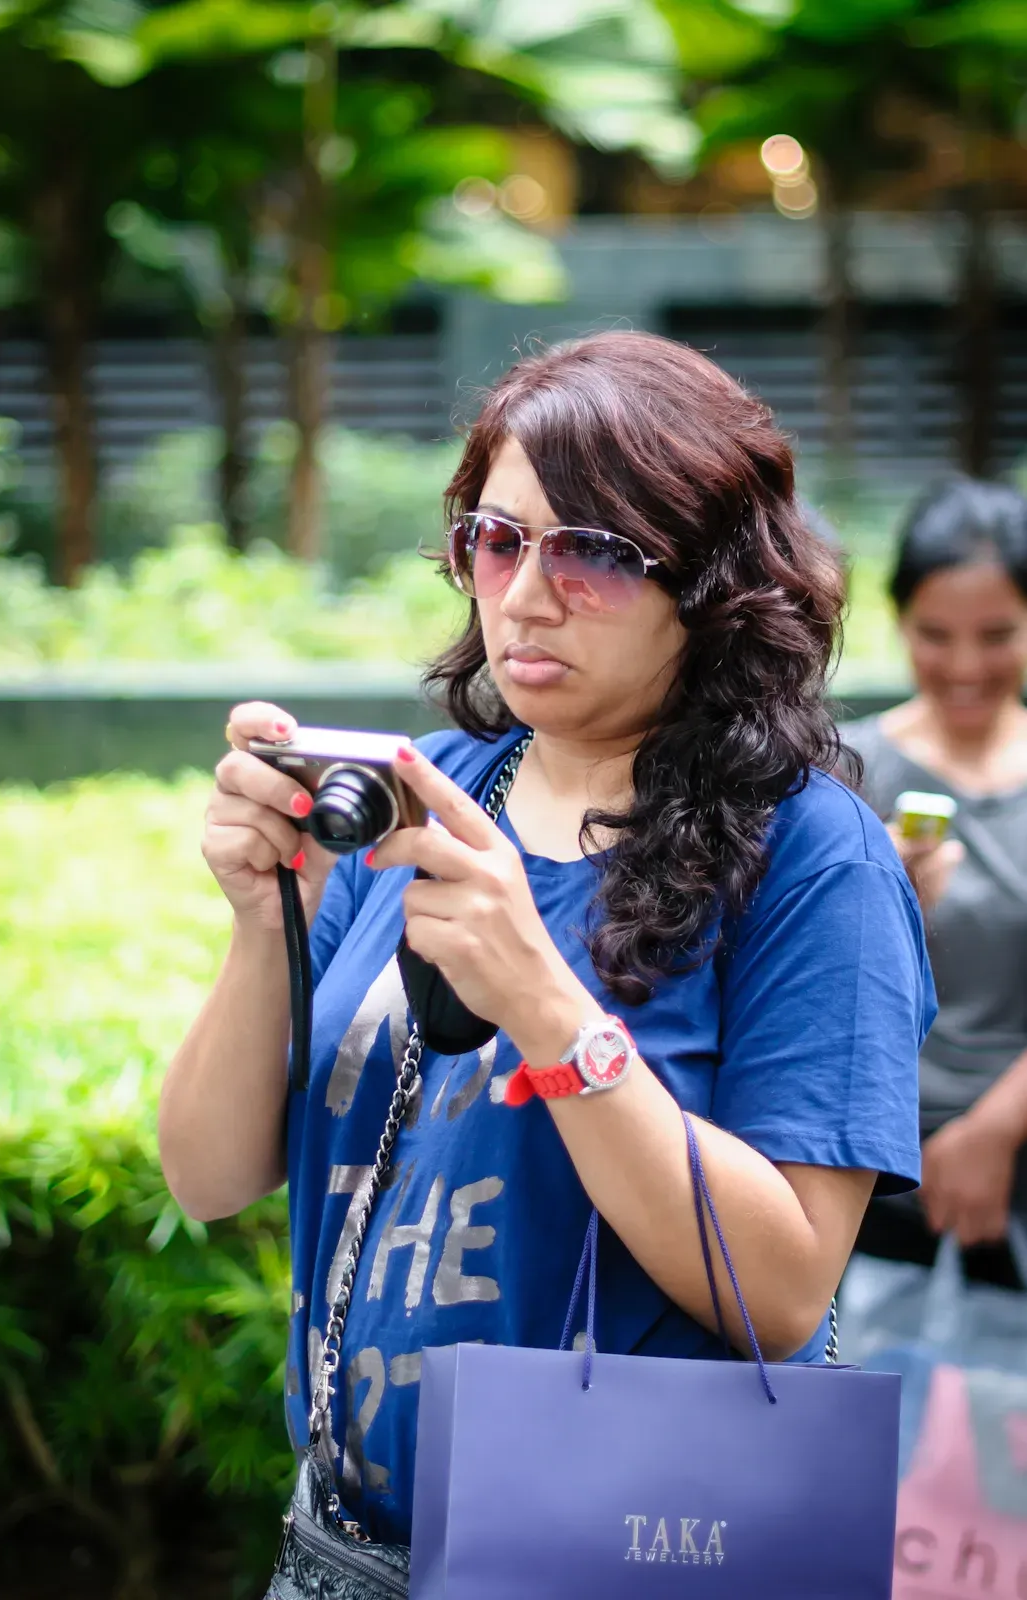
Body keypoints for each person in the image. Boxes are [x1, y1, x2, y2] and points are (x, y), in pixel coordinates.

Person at [159, 331, 932, 1550]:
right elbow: (208, 1176)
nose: (524, 593)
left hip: (612, 1548)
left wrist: (546, 1003)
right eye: (497, 538)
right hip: (344, 1541)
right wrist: (269, 921)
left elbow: (782, 1293)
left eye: (595, 552)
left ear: (713, 584)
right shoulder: (428, 798)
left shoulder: (811, 858)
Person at [845, 476, 1027, 1286]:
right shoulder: (845, 776)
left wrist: (995, 1129)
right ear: (897, 620)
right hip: (873, 1176)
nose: (963, 666)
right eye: (933, 634)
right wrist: (876, 903)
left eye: (996, 635)